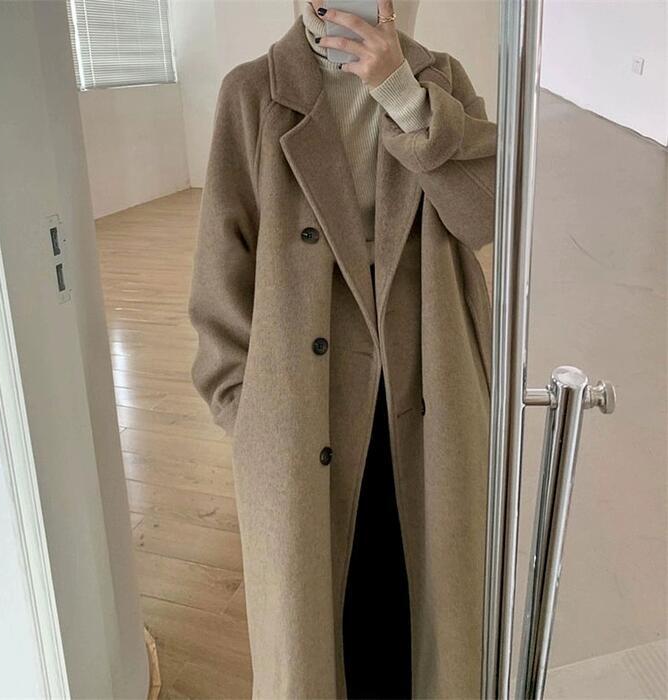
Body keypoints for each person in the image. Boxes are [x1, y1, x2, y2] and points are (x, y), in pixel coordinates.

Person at [187, 1, 497, 697]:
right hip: (301, 398)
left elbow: (482, 216)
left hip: (429, 381)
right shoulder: (253, 93)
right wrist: (246, 408)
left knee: (421, 604)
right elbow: (220, 263)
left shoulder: (439, 80)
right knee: (322, 618)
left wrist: (401, 94)